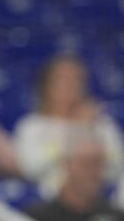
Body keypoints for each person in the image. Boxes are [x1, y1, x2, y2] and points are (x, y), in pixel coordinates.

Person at [14, 54, 124, 198]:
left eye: (77, 80)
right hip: (51, 200)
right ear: (47, 86)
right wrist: (79, 129)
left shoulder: (102, 124)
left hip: (102, 197)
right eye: (62, 80)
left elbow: (117, 164)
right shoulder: (32, 126)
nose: (71, 86)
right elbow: (31, 168)